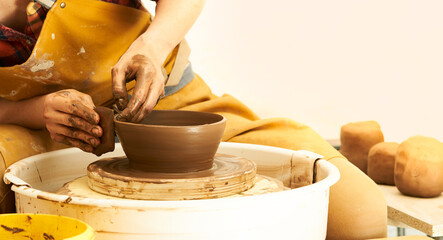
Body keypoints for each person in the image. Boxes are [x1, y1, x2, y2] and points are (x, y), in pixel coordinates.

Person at [0, 0, 387, 239]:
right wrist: (32, 112)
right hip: (39, 126)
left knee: (357, 213)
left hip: (166, 100)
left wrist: (152, 47)